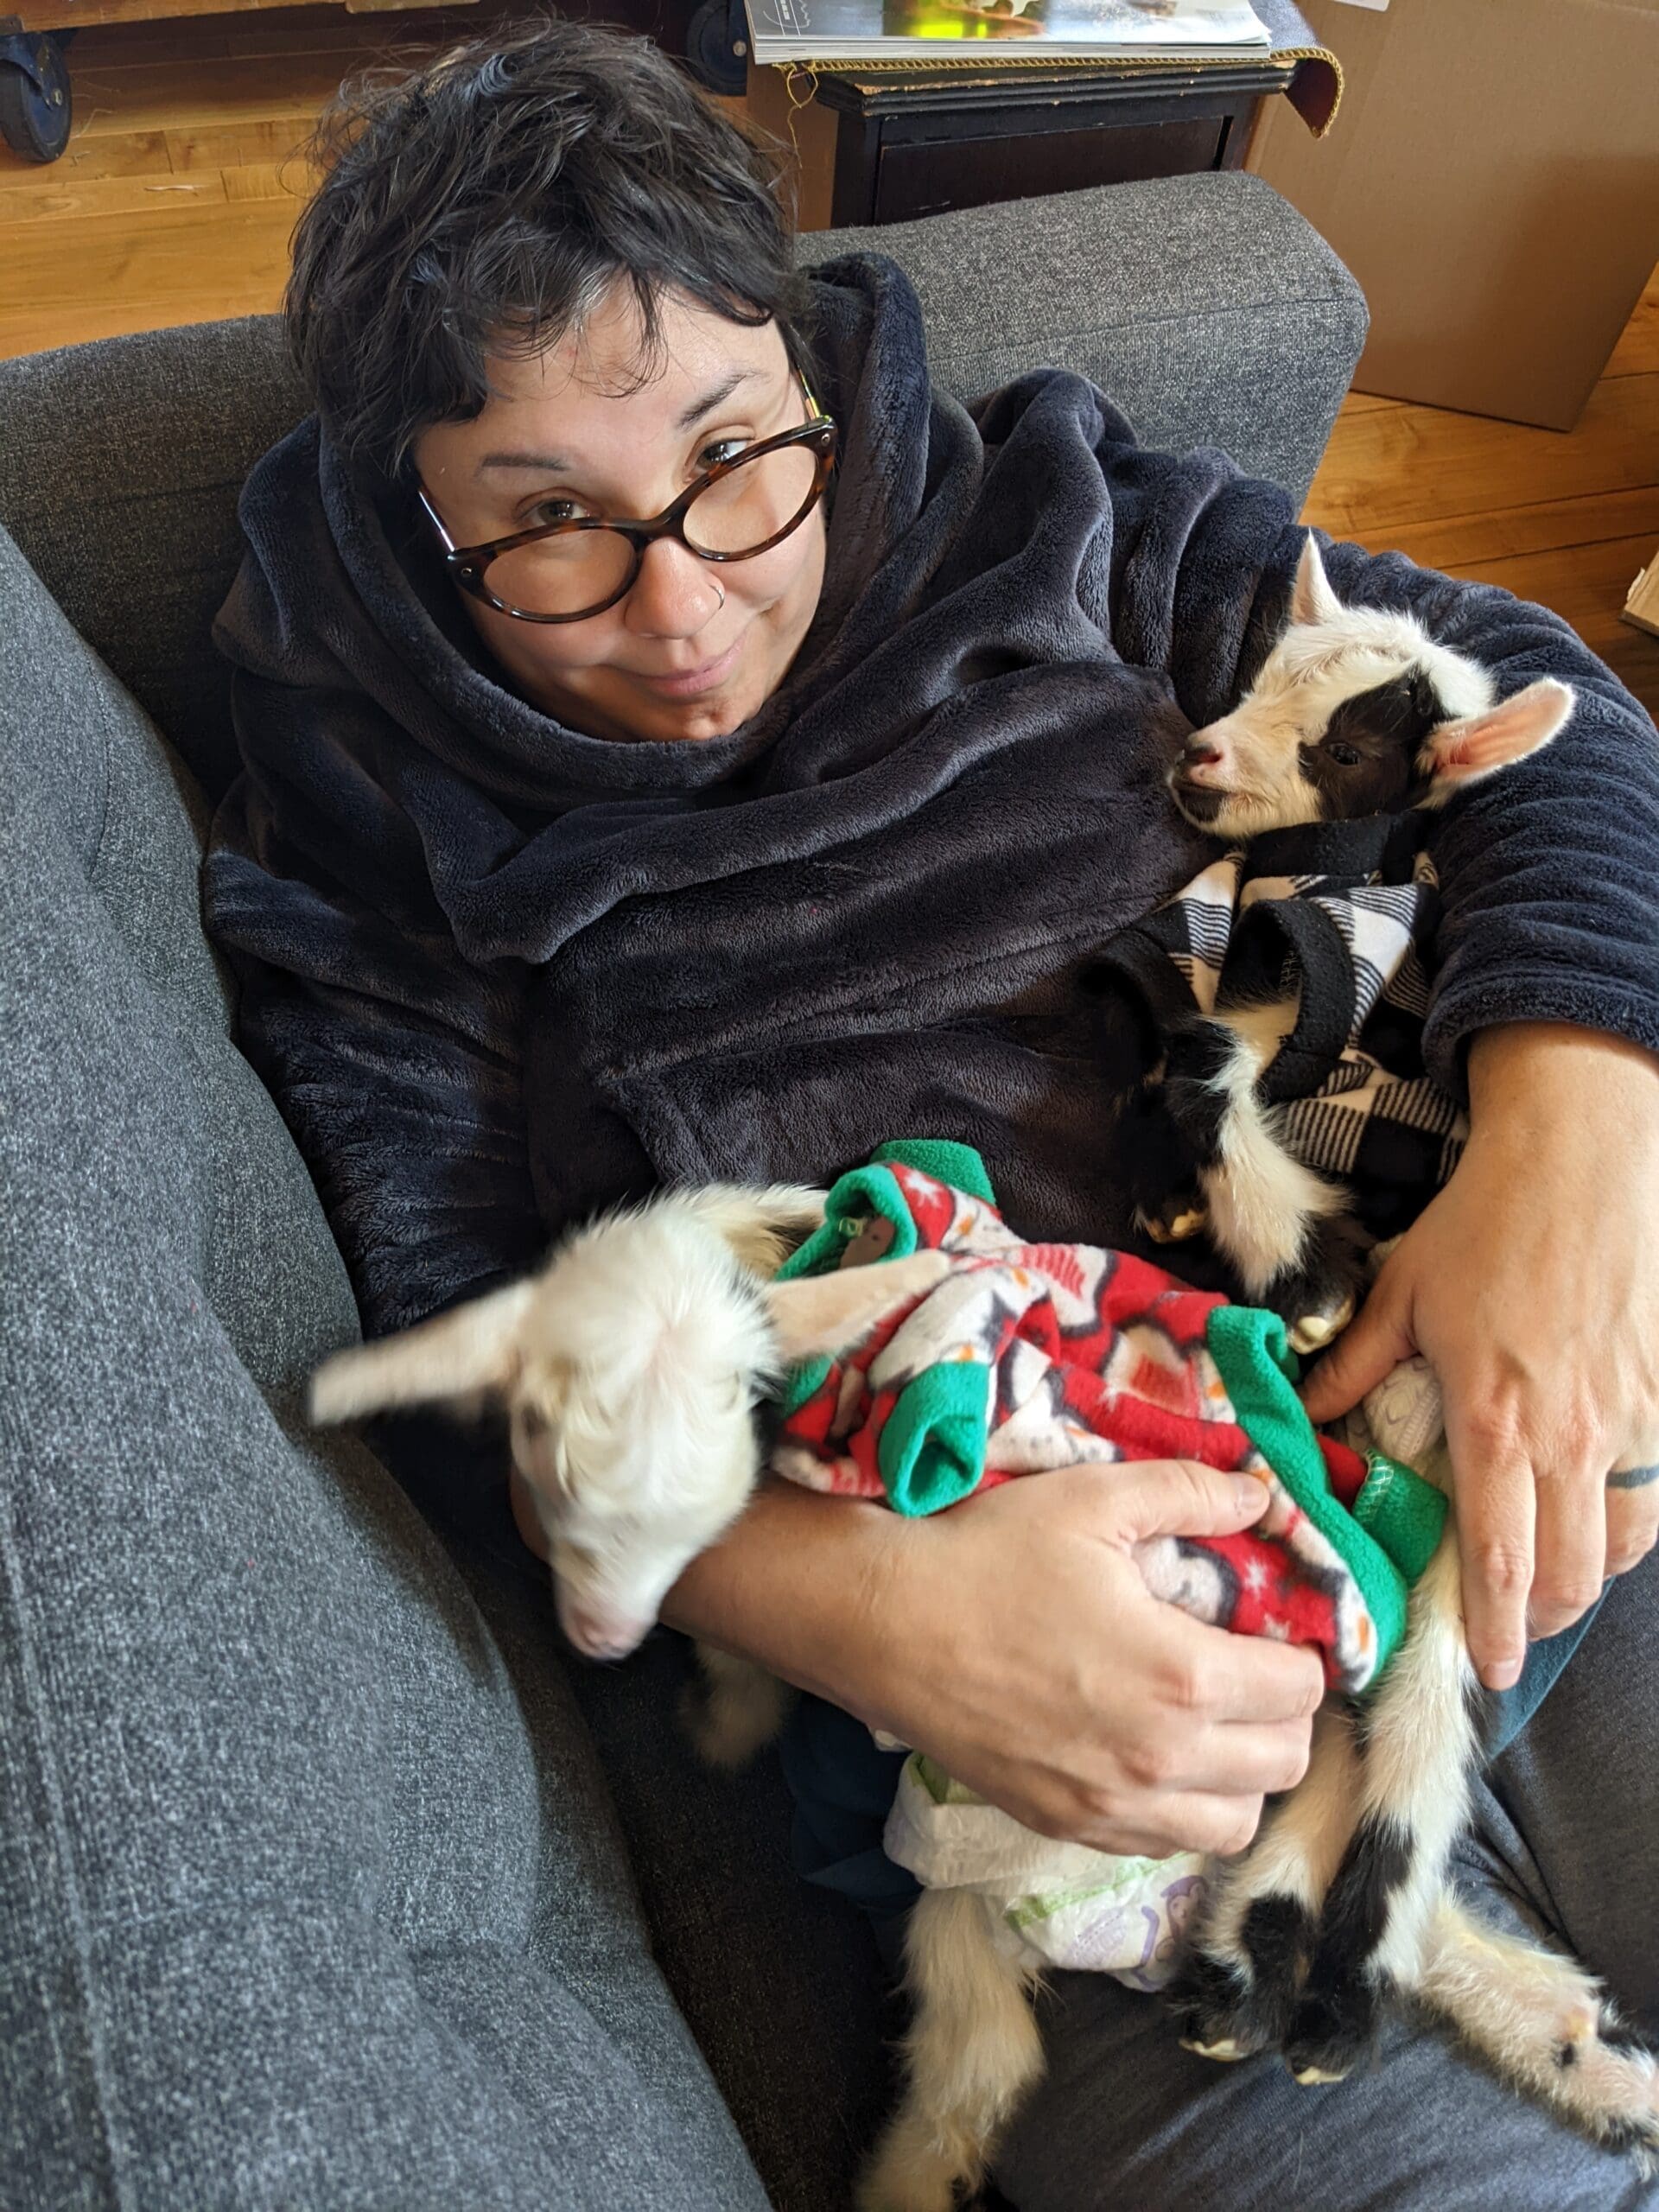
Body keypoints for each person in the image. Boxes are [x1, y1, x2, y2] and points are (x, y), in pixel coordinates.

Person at [202, 21, 1659, 2206]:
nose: (682, 608)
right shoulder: (361, 821)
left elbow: (1535, 721)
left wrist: (1573, 1148)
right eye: (550, 533)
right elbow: (457, 1322)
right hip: (1049, 1720)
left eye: (730, 462)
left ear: (799, 365)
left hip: (1480, 1395)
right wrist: (854, 1601)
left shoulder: (1053, 507)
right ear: (425, 524)